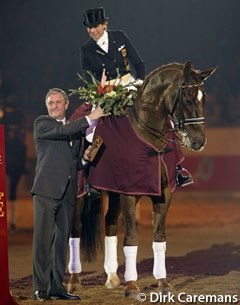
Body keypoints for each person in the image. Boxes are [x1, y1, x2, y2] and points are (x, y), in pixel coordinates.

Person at [31, 88, 105, 301]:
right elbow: (61, 132)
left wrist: (85, 159)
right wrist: (90, 117)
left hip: (67, 194)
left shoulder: (74, 131)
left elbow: (74, 165)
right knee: (43, 242)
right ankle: (40, 287)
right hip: (46, 191)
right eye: (50, 103)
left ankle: (56, 287)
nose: (53, 106)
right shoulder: (42, 123)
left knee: (61, 243)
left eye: (57, 102)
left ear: (66, 104)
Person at [6, 124, 27, 231]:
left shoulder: (18, 145)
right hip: (8, 171)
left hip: (13, 172)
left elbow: (22, 160)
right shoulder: (9, 144)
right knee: (11, 196)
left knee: (12, 196)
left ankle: (11, 221)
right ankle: (11, 221)